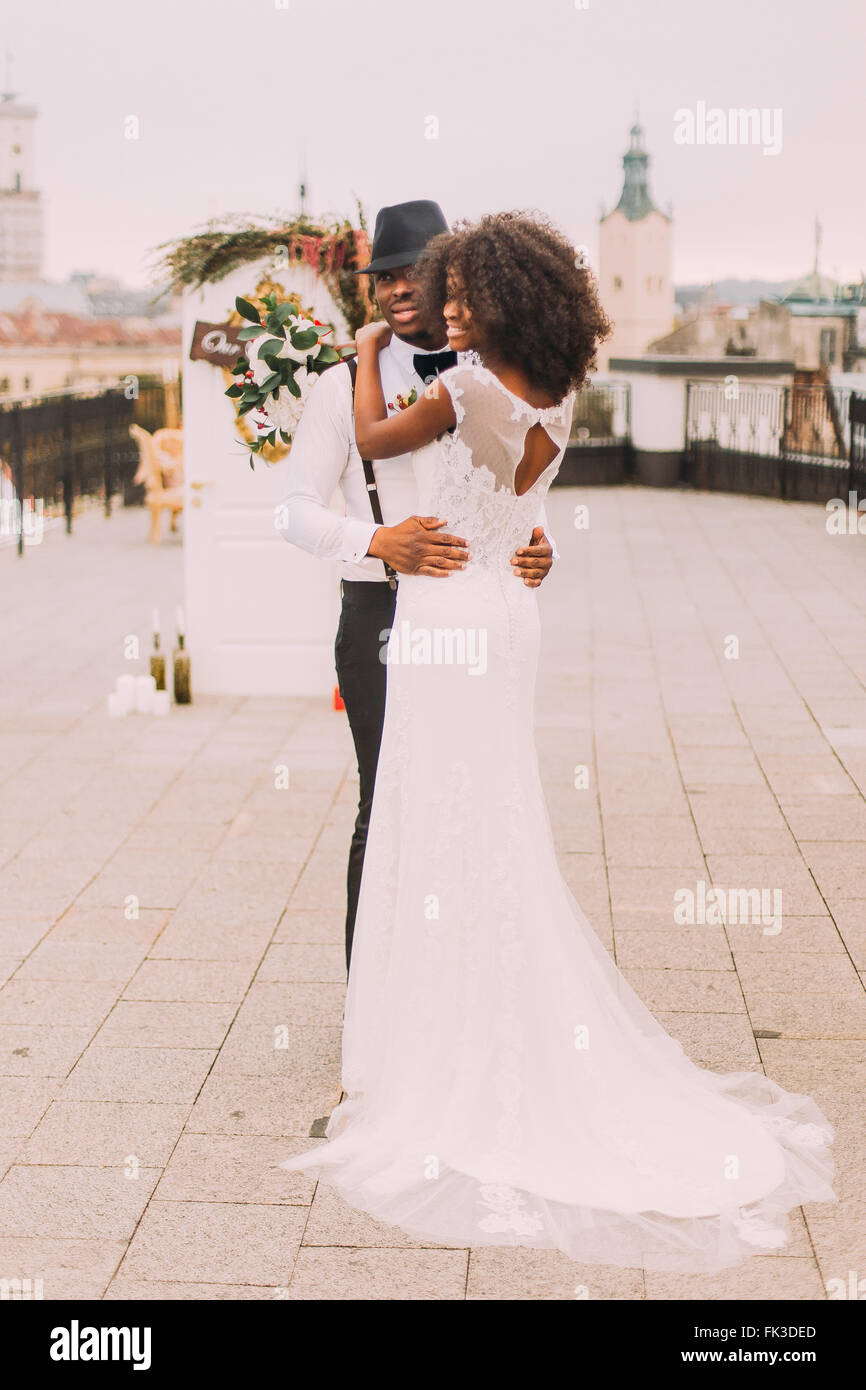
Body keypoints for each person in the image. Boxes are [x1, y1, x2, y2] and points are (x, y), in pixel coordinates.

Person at [281, 211, 835, 1272]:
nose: (441, 307)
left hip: (445, 611)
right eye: (433, 291)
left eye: (459, 295)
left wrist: (358, 355)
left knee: (434, 814)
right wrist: (519, 548)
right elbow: (512, 509)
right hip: (499, 610)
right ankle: (455, 1020)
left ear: (501, 301)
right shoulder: (557, 392)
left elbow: (372, 440)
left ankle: (436, 1047)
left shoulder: (460, 387)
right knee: (483, 816)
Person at [277, 200, 557, 971]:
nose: (399, 288)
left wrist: (543, 543)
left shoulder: (490, 375)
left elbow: (525, 488)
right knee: (389, 803)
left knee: (474, 799)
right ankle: (373, 995)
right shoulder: (341, 387)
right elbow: (292, 511)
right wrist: (375, 539)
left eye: (415, 274)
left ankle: (462, 980)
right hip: (380, 617)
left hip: (474, 616)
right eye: (385, 277)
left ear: (454, 284)